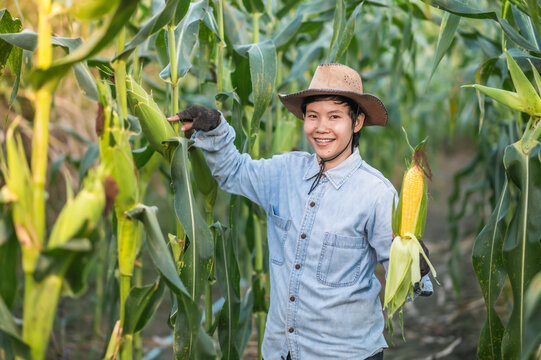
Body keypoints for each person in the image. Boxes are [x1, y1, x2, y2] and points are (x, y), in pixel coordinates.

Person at [168, 63, 432, 360]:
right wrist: (216, 127)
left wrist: (415, 266)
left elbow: (407, 279)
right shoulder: (284, 172)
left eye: (334, 117)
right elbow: (234, 172)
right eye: (312, 116)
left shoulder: (376, 194)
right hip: (282, 351)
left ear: (357, 122)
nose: (321, 127)